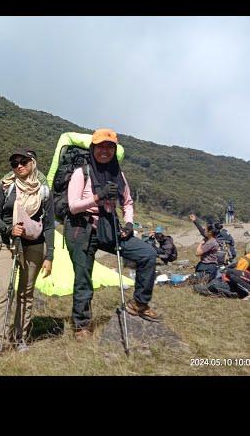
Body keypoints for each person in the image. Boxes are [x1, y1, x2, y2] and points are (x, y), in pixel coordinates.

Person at [64, 128, 160, 341]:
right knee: (83, 277)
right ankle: (81, 325)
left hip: (110, 227)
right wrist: (98, 197)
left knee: (147, 254)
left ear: (114, 150)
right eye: (100, 146)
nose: (104, 151)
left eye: (109, 147)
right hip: (82, 228)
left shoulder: (119, 175)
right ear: (93, 148)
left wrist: (128, 223)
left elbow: (127, 203)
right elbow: (73, 206)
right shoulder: (82, 173)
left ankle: (139, 304)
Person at [0, 148, 55, 355]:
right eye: (14, 163)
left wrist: (50, 255)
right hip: (7, 244)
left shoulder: (44, 190)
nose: (18, 166)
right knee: (4, 292)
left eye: (23, 161)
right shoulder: (6, 186)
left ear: (32, 162)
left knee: (26, 294)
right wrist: (9, 229)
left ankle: (20, 338)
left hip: (34, 246)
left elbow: (50, 225)